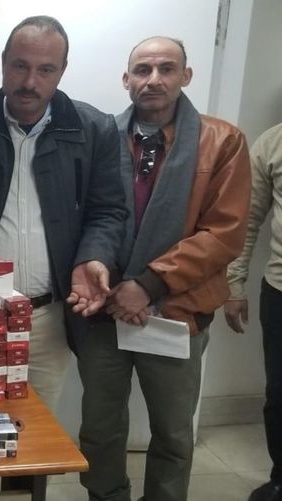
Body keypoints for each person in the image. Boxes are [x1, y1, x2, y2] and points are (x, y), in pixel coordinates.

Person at [0, 15, 127, 413]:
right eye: (20, 66)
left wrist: (95, 256)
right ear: (4, 62)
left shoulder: (94, 129)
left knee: (36, 431)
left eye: (45, 70)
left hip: (48, 319)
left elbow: (108, 211)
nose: (30, 82)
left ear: (62, 71)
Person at [77, 36, 250, 501]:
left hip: (177, 310)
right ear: (126, 79)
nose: (154, 79)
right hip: (106, 309)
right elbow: (85, 216)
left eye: (166, 69)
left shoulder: (223, 141)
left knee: (173, 434)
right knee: (99, 428)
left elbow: (224, 233)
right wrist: (111, 283)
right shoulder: (100, 137)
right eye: (143, 69)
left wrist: (148, 284)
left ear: (186, 76)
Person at [225, 122, 282, 501]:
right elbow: (246, 220)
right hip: (280, 291)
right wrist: (234, 284)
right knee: (280, 394)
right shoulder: (274, 142)